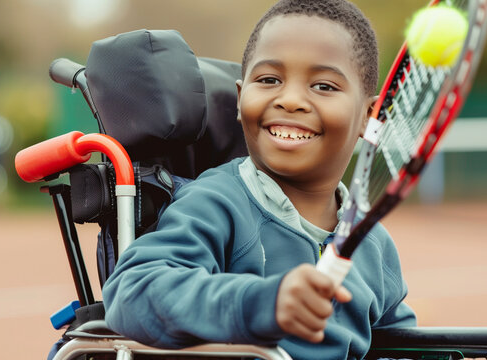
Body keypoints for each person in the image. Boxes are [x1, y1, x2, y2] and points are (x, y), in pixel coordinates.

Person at [103, 0, 416, 359]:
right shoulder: (215, 203)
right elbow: (133, 291)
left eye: (324, 86)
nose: (291, 100)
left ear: (368, 117)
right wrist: (263, 304)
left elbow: (403, 345)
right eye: (269, 80)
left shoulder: (373, 244)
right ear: (240, 100)